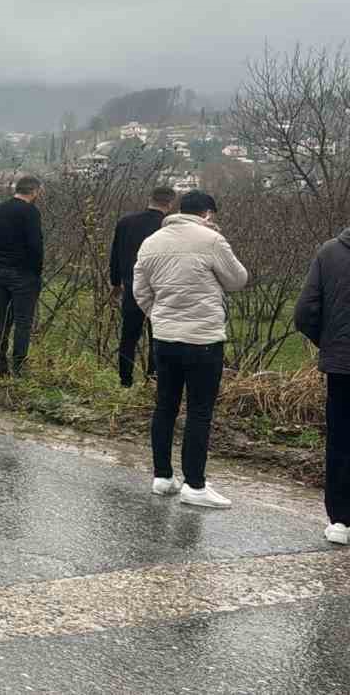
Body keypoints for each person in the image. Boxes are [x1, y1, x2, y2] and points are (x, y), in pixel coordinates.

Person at [134, 190, 248, 509]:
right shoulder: (210, 240)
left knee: (165, 405)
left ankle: (162, 477)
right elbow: (238, 279)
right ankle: (195, 484)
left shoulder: (151, 242)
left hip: (165, 337)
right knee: (199, 410)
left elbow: (140, 291)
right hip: (203, 339)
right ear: (207, 214)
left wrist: (160, 316)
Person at [294, 223, 350, 545]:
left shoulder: (330, 251)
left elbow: (304, 312)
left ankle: (341, 520)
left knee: (341, 440)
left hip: (342, 366)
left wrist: (328, 343)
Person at [111, 187, 177, 387]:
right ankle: (152, 378)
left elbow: (115, 256)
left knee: (128, 336)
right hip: (160, 289)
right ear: (171, 203)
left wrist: (115, 284)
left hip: (131, 287)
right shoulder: (168, 228)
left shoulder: (126, 222)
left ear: (150, 199)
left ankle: (125, 380)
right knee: (157, 335)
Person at [0, 175, 44, 376]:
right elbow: (35, 245)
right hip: (23, 273)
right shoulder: (30, 212)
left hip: (1, 270)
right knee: (23, 321)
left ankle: (0, 362)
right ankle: (18, 367)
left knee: (3, 318)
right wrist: (36, 272)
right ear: (34, 191)